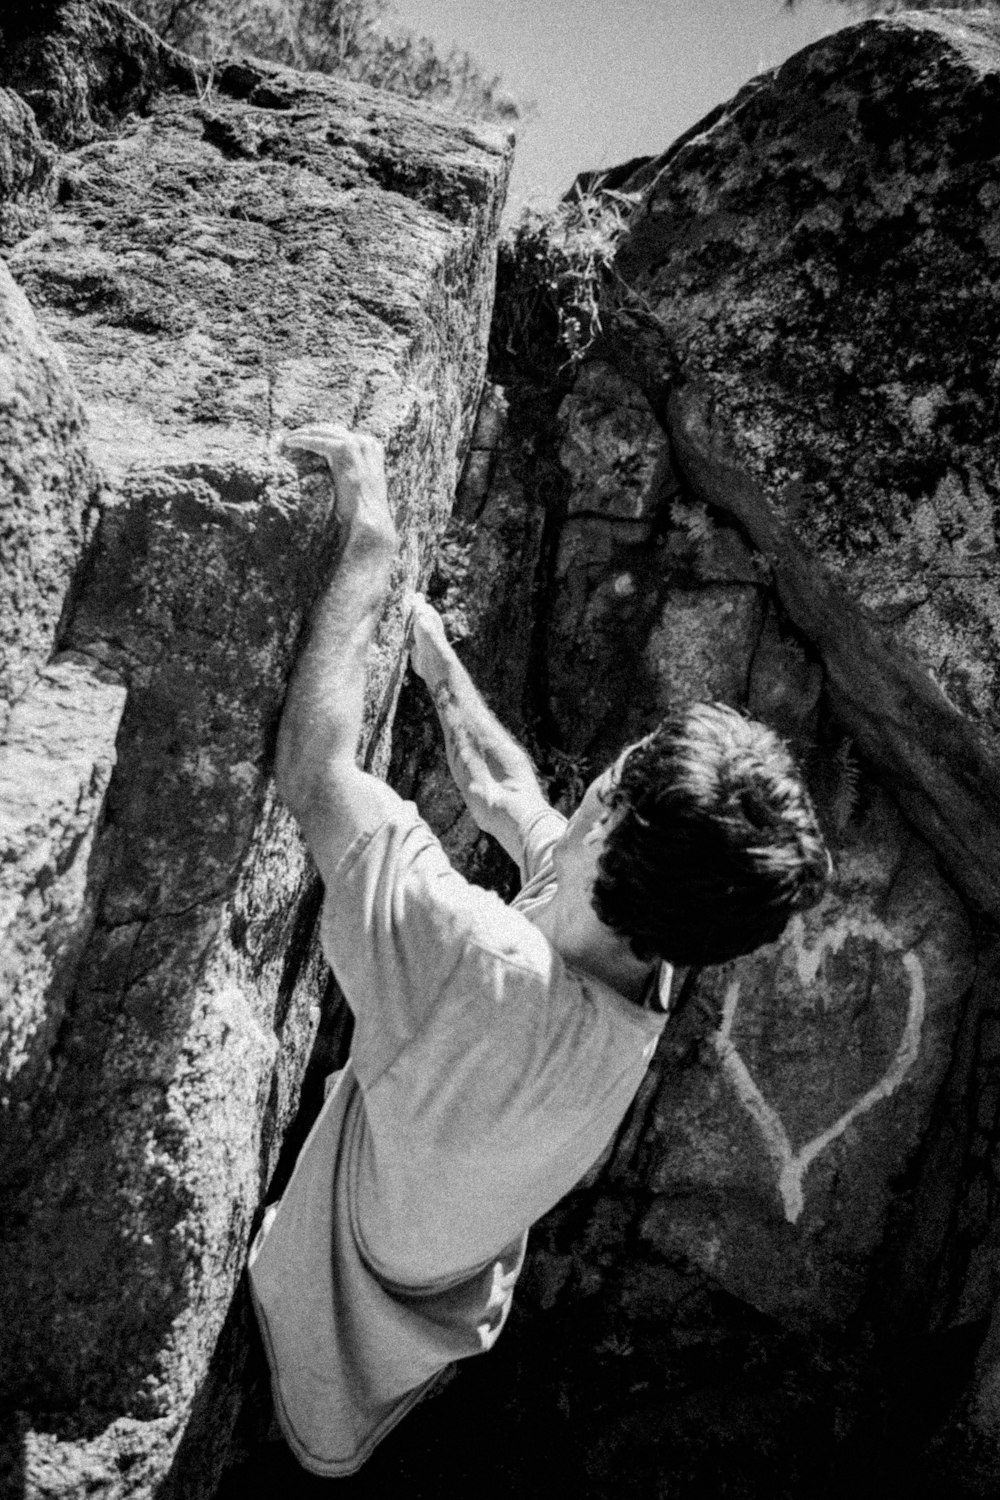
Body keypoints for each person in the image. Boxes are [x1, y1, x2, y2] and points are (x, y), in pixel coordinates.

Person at [248, 425, 830, 1477]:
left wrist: (370, 554)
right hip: (441, 1295)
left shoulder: (472, 961)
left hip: (334, 1286)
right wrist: (435, 664)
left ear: (610, 820)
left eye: (624, 769)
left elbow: (313, 769)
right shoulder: (651, 956)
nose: (606, 770)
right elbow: (516, 803)